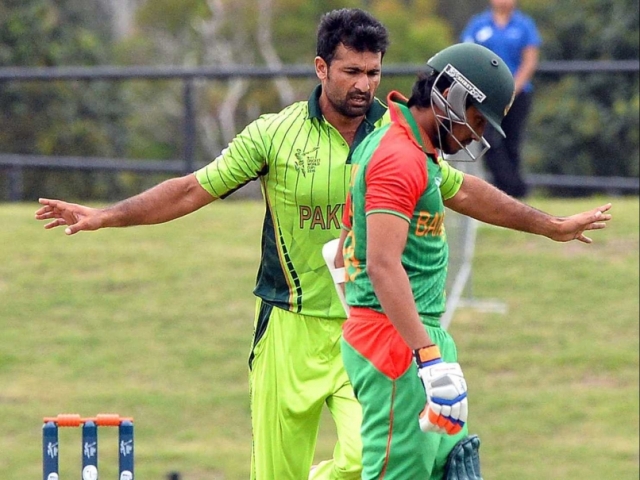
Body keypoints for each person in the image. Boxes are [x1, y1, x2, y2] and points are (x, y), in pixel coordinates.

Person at [35, 9, 609, 480]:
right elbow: (191, 190)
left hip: (360, 330)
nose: (364, 85)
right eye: (351, 71)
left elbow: (464, 193)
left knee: (367, 461)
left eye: (374, 72)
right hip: (286, 327)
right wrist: (106, 216)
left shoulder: (399, 139)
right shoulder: (273, 134)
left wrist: (550, 225)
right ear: (320, 68)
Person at [335, 43, 611, 480]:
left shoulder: (415, 150)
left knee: (442, 467)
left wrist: (551, 226)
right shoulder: (397, 158)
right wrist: (428, 358)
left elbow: (464, 192)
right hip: (395, 341)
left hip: (415, 333)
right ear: (450, 93)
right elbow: (382, 266)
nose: (473, 133)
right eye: (476, 118)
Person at [461, 0, 541, 198]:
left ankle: (511, 195)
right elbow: (468, 55)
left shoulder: (524, 25)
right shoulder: (478, 24)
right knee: (488, 141)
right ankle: (511, 188)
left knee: (512, 143)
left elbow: (529, 60)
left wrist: (513, 88)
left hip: (518, 94)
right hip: (486, 96)